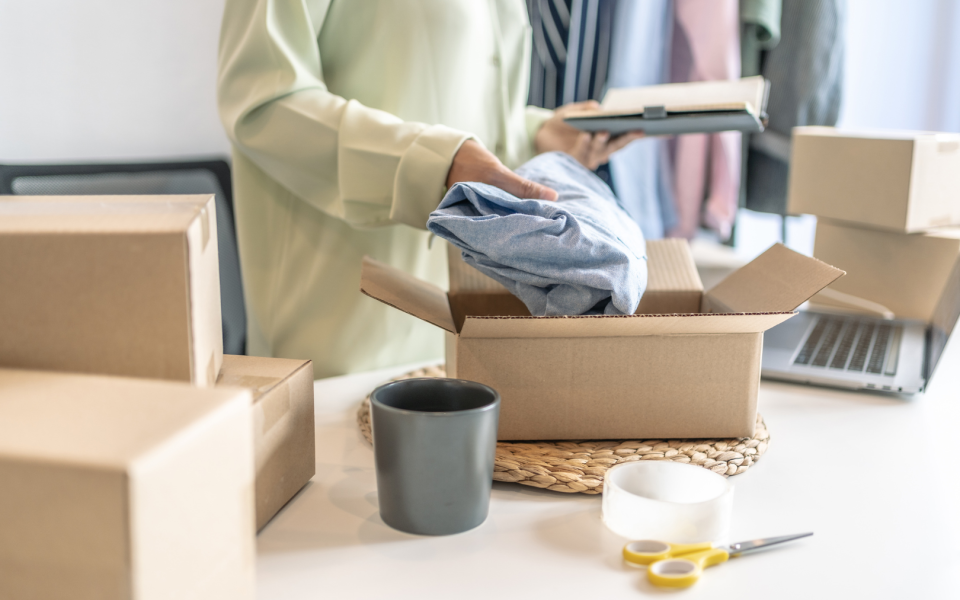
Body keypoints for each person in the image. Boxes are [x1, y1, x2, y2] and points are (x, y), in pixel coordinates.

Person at [217, 0, 640, 378]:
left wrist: (534, 134)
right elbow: (262, 103)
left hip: (451, 328)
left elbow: (456, 98)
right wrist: (438, 162)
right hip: (340, 335)